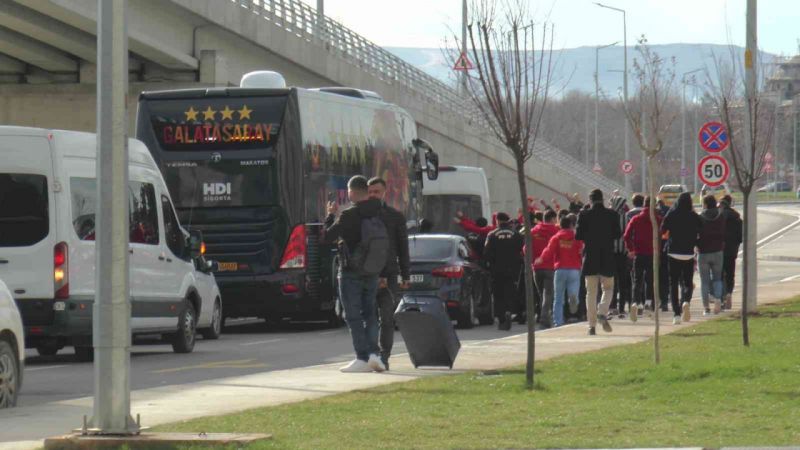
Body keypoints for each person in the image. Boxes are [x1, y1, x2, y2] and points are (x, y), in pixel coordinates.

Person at [324, 175, 386, 373]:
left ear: (351, 192)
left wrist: (330, 216)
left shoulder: (349, 214)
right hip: (373, 270)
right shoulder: (379, 211)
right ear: (367, 191)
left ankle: (362, 358)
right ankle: (375, 355)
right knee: (370, 313)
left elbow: (328, 238)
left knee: (353, 315)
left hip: (351, 271)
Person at [367, 177, 410, 371]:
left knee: (386, 317)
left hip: (389, 275)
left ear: (384, 192)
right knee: (367, 317)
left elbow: (403, 248)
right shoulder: (361, 216)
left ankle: (384, 356)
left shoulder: (395, 216)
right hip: (366, 275)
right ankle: (370, 355)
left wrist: (406, 275)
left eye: (376, 191)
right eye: (370, 191)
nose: (373, 195)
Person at [575, 189, 620, 335]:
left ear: (590, 200)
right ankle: (602, 311)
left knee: (591, 293)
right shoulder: (612, 215)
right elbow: (618, 234)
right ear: (603, 199)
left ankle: (591, 325)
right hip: (607, 256)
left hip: (590, 257)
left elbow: (578, 235)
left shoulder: (584, 215)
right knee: (608, 288)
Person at [661, 192, 701, 324]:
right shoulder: (694, 216)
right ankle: (685, 301)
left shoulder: (672, 214)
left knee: (674, 283)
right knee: (687, 282)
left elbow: (663, 229)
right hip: (688, 254)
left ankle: (676, 314)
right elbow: (702, 228)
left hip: (673, 252)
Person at [537, 215, 583, 328]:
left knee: (558, 297)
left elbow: (549, 250)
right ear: (571, 225)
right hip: (574, 269)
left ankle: (558, 321)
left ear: (560, 225)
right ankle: (573, 299)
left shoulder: (556, 237)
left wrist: (541, 258)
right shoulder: (577, 237)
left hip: (560, 269)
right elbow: (581, 251)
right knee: (573, 290)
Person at [483, 212, 523, 331]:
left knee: (498, 294)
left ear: (498, 221)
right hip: (513, 270)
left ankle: (501, 318)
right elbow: (523, 250)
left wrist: (490, 265)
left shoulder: (492, 234)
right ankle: (509, 311)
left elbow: (486, 253)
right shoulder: (516, 235)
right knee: (510, 292)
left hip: (497, 270)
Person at [624, 196, 661, 323]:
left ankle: (636, 303)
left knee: (637, 279)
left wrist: (631, 249)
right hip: (653, 253)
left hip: (638, 253)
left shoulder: (635, 219)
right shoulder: (657, 219)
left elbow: (626, 235)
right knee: (650, 279)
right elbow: (664, 233)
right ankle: (649, 302)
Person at [529, 209, 559, 327]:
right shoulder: (556, 231)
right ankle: (544, 317)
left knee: (542, 293)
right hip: (551, 266)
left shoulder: (533, 231)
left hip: (536, 267)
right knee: (548, 294)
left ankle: (543, 315)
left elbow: (526, 248)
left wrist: (532, 261)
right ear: (552, 219)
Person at [698, 194, 726, 315]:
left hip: (703, 251)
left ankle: (706, 308)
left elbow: (697, 233)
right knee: (717, 278)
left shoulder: (701, 217)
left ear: (705, 204)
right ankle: (718, 299)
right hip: (718, 250)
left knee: (704, 281)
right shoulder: (721, 215)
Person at [609, 194, 631, 317]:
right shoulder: (626, 218)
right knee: (623, 282)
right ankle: (622, 307)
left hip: (611, 253)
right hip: (623, 253)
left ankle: (613, 306)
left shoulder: (609, 217)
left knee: (612, 281)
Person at [719, 195, 742, 310]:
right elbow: (741, 237)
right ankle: (729, 293)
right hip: (732, 250)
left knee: (720, 274)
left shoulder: (719, 217)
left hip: (720, 249)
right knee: (730, 274)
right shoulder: (737, 218)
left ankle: (722, 297)